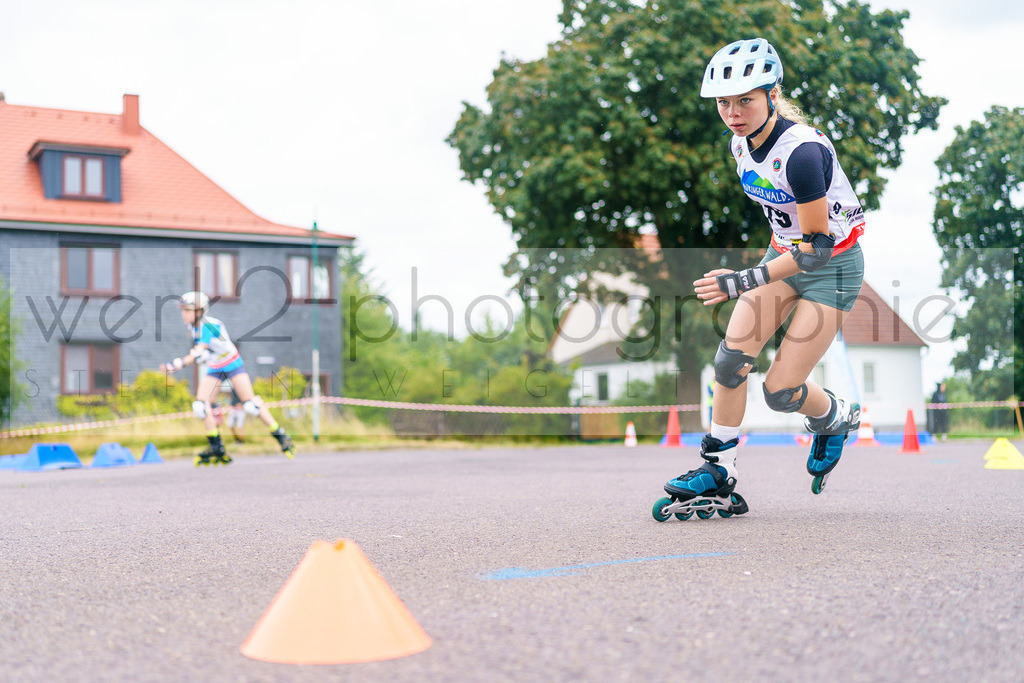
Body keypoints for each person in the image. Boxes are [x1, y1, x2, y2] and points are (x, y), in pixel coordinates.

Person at [660, 37, 866, 513]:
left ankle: (835, 415)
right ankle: (718, 468)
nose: (733, 112)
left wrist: (743, 280)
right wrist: (765, 270)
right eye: (724, 102)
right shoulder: (740, 144)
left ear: (772, 96)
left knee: (779, 392)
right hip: (784, 255)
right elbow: (784, 222)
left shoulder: (803, 153)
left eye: (745, 100)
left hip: (831, 268)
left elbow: (817, 248)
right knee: (730, 364)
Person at [159, 291, 293, 465]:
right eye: (182, 310)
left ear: (199, 311)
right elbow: (205, 352)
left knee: (250, 405)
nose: (183, 314)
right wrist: (202, 357)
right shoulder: (193, 327)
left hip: (232, 364)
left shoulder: (208, 325)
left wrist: (177, 364)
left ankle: (281, 435)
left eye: (186, 310)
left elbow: (200, 350)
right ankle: (216, 446)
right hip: (215, 367)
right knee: (200, 406)